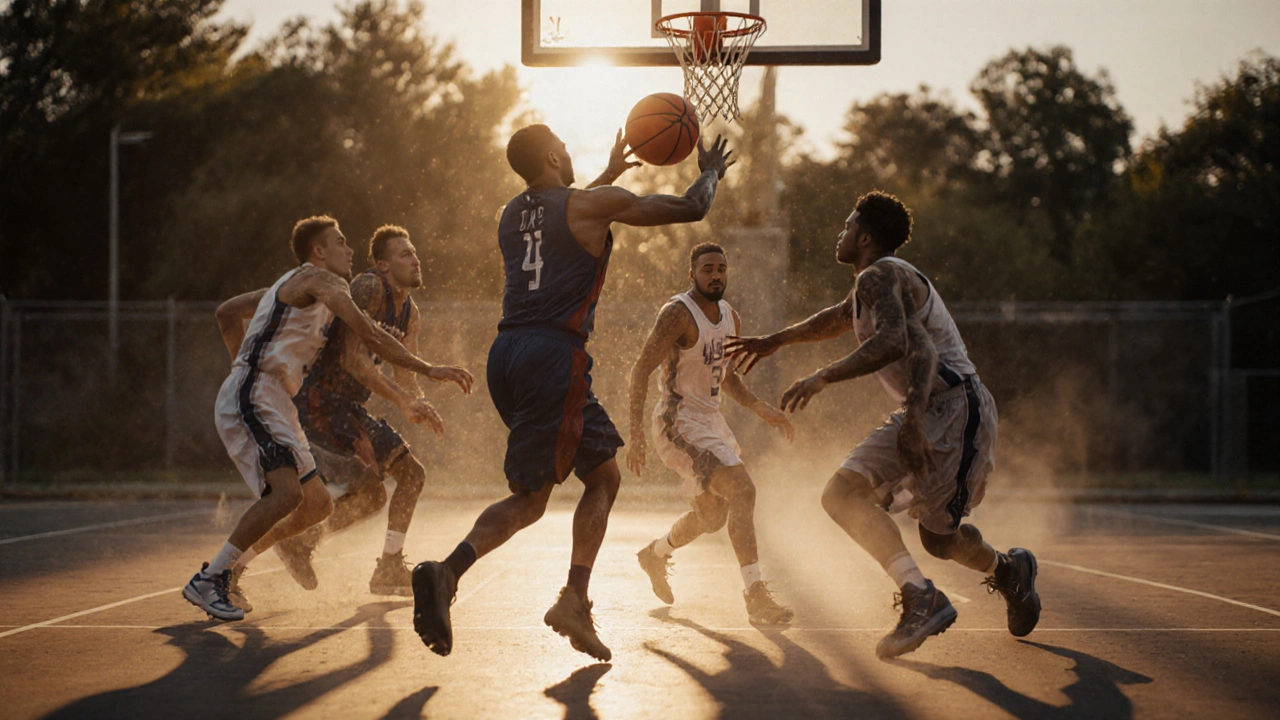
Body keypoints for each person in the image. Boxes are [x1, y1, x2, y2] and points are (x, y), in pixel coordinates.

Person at [411, 126, 734, 661]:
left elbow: (565, 217)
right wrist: (711, 170)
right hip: (553, 356)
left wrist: (606, 176)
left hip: (509, 352)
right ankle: (446, 572)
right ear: (557, 154)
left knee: (602, 473)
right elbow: (691, 206)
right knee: (532, 498)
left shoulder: (510, 214)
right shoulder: (590, 204)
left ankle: (574, 599)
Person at [725, 191, 1040, 659]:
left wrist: (825, 377)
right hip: (927, 408)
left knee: (937, 538)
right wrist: (775, 340)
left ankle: (970, 581)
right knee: (853, 499)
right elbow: (834, 318)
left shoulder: (880, 274)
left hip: (953, 408)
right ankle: (961, 582)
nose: (841, 232)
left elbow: (908, 345)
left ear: (865, 236)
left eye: (847, 226)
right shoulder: (871, 284)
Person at [182, 216, 473, 621]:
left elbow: (226, 313)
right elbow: (368, 336)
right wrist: (247, 374)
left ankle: (236, 570)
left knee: (316, 505)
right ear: (319, 252)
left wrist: (415, 396)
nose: (350, 250)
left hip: (278, 399)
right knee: (286, 495)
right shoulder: (325, 282)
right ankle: (212, 578)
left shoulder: (291, 289)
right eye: (340, 242)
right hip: (272, 396)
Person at [627, 242, 795, 625]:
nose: (715, 275)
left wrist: (758, 407)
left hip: (711, 422)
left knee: (713, 515)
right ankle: (756, 595)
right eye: (707, 269)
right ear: (692, 275)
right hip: (678, 423)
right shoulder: (677, 314)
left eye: (721, 268)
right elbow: (640, 370)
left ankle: (655, 554)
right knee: (743, 490)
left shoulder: (731, 317)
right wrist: (635, 433)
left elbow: (728, 375)